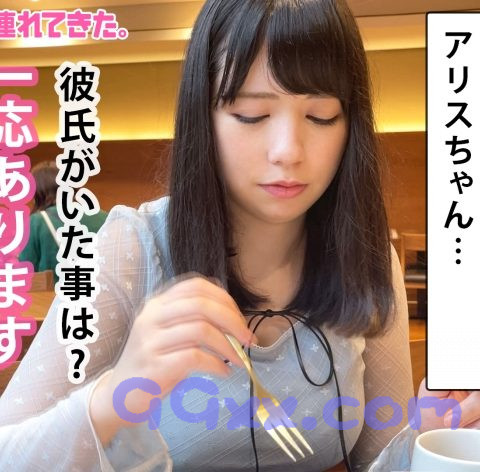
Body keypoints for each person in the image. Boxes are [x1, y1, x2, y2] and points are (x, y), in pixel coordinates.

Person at [0, 1, 479, 470]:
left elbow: (377, 459)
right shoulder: (132, 247)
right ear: (203, 118)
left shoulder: (366, 260)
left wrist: (425, 435)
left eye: (321, 115)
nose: (288, 151)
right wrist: (117, 392)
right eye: (251, 115)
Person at [18, 160, 108, 283]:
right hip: (103, 291)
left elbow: (25, 273)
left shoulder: (36, 222)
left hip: (54, 293)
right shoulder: (105, 217)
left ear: (37, 193)